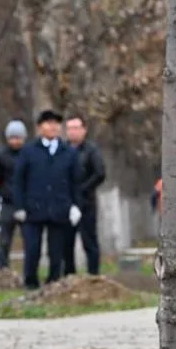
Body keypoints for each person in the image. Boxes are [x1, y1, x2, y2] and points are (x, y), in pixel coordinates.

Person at [13, 110, 83, 290]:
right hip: (33, 208)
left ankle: (53, 282)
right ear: (39, 127)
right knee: (32, 249)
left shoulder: (68, 152)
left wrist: (76, 205)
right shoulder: (29, 151)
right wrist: (19, 206)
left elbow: (76, 181)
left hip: (59, 208)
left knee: (56, 251)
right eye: (48, 123)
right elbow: (19, 180)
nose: (52, 127)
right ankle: (30, 283)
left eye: (56, 123)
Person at [63, 115, 105, 276]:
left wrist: (81, 189)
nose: (72, 132)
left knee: (90, 241)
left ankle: (93, 275)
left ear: (84, 130)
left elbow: (99, 173)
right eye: (69, 128)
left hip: (86, 202)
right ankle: (69, 275)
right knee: (66, 243)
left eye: (76, 128)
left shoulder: (91, 150)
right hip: (67, 203)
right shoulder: (63, 150)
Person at [0, 121, 27, 270]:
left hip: (26, 202)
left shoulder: (28, 154)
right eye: (12, 138)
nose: (15, 141)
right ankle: (2, 268)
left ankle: (29, 268)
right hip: (8, 201)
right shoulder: (1, 155)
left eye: (18, 138)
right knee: (4, 240)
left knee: (29, 238)